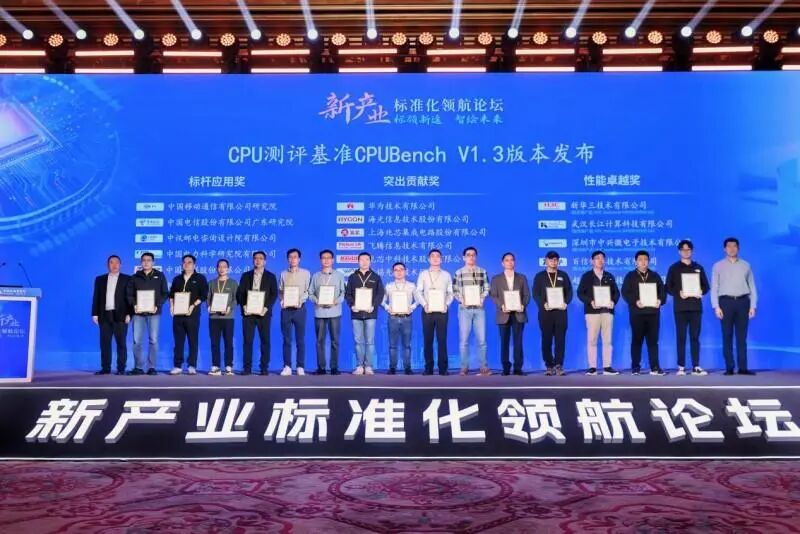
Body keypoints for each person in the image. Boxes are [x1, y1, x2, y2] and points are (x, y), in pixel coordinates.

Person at [710, 237, 758, 375]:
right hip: (725, 302)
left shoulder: (746, 265)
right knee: (727, 335)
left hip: (743, 302)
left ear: (738, 248)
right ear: (724, 249)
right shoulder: (718, 266)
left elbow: (752, 287)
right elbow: (714, 287)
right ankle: (729, 367)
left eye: (734, 246)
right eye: (729, 246)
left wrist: (753, 306)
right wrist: (716, 306)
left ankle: (743, 368)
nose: (732, 249)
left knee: (742, 337)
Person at [665, 240, 710, 376]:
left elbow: (706, 286)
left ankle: (696, 366)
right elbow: (668, 287)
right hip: (680, 308)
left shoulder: (698, 267)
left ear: (692, 251)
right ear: (679, 251)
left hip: (696, 307)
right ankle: (681, 367)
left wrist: (701, 291)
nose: (686, 252)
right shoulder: (673, 268)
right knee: (681, 337)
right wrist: (678, 293)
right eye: (683, 250)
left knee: (695, 337)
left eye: (688, 249)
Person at [622, 250, 667, 376]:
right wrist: (635, 301)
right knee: (637, 341)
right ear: (636, 262)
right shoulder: (630, 276)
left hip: (653, 314)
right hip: (637, 314)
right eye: (640, 260)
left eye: (645, 259)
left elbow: (663, 293)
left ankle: (655, 367)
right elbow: (625, 292)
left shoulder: (655, 276)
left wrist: (660, 300)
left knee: (653, 342)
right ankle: (635, 367)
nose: (643, 262)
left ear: (649, 261)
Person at [577, 250, 620, 376]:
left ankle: (607, 367)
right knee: (592, 340)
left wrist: (613, 301)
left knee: (608, 340)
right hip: (592, 313)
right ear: (592, 261)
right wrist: (590, 301)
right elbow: (580, 293)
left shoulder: (609, 276)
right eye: (597, 258)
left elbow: (616, 293)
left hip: (607, 312)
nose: (600, 260)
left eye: (602, 258)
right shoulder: (586, 276)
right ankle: (592, 367)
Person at [126, 252, 169, 375]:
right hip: (138, 313)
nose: (146, 262)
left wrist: (157, 305)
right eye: (144, 260)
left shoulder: (160, 276)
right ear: (141, 262)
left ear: (153, 262)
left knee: (153, 340)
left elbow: (165, 293)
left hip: (154, 313)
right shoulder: (135, 277)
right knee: (137, 341)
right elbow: (129, 294)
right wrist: (134, 304)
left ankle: (152, 367)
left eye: (149, 260)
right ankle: (138, 367)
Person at [531, 250, 573, 376]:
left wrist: (566, 302)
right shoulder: (540, 276)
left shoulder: (563, 275)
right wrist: (543, 304)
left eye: (555, 260)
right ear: (546, 261)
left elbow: (569, 292)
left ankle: (559, 365)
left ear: (558, 261)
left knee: (560, 340)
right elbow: (535, 293)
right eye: (551, 259)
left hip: (561, 312)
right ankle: (549, 365)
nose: (553, 262)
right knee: (546, 339)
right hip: (546, 312)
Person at [236, 250, 278, 375]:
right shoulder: (245, 275)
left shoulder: (270, 276)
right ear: (253, 261)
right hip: (248, 314)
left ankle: (264, 367)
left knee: (265, 341)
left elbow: (274, 294)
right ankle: (247, 368)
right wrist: (244, 306)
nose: (258, 260)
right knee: (247, 341)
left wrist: (266, 307)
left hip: (263, 314)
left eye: (260, 258)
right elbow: (240, 293)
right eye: (255, 258)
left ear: (265, 261)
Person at [489, 252, 530, 376]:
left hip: (519, 313)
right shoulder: (496, 279)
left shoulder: (522, 277)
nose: (510, 262)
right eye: (507, 260)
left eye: (512, 260)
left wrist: (523, 305)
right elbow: (493, 295)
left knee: (518, 342)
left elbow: (527, 295)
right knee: (504, 342)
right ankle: (505, 368)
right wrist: (501, 305)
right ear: (502, 263)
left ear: (515, 262)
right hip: (503, 314)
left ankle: (518, 368)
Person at [414, 249, 454, 376]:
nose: (435, 258)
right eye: (432, 256)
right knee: (428, 340)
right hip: (427, 310)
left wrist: (446, 304)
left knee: (442, 340)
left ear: (441, 259)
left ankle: (443, 369)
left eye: (438, 256)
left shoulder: (446, 275)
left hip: (442, 311)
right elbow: (418, 291)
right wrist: (424, 304)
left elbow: (450, 293)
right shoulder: (423, 274)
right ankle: (428, 368)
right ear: (428, 259)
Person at [91, 254, 132, 375]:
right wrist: (94, 313)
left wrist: (130, 313)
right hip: (104, 315)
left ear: (120, 265)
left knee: (121, 343)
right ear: (107, 265)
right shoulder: (100, 279)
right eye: (111, 262)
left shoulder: (127, 279)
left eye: (117, 262)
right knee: (104, 343)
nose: (114, 265)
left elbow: (130, 298)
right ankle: (105, 368)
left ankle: (121, 369)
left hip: (121, 315)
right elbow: (96, 297)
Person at [345, 252, 385, 375]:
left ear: (370, 261)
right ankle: (359, 366)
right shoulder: (352, 277)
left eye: (367, 259)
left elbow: (380, 294)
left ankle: (368, 366)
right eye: (362, 260)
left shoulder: (376, 277)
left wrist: (374, 305)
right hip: (356, 314)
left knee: (370, 341)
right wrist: (352, 305)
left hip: (370, 314)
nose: (364, 262)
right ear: (358, 261)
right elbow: (348, 294)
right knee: (358, 341)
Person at [168, 254, 208, 375]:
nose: (186, 264)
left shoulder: (200, 278)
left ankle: (192, 365)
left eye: (189, 262)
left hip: (192, 314)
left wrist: (193, 305)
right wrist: (171, 306)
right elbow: (171, 294)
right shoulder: (177, 279)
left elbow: (204, 295)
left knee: (192, 340)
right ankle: (177, 365)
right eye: (184, 262)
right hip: (178, 315)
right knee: (178, 341)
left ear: (194, 265)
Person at [454, 246, 491, 376]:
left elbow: (487, 287)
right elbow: (455, 289)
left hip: (479, 309)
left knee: (482, 340)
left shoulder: (482, 271)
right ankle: (464, 367)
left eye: (473, 255)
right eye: (468, 255)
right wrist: (461, 299)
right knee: (464, 340)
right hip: (464, 309)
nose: (471, 257)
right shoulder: (459, 272)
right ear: (464, 257)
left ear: (476, 257)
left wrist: (482, 298)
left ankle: (483, 367)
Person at [308, 249, 346, 375]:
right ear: (320, 260)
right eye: (323, 258)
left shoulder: (339, 275)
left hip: (335, 312)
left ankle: (334, 367)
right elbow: (310, 293)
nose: (326, 260)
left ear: (333, 260)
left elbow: (343, 293)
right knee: (320, 341)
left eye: (329, 258)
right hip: (319, 312)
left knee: (335, 341)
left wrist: (336, 301)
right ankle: (321, 367)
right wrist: (316, 301)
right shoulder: (315, 276)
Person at [279, 248, 311, 376]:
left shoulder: (306, 273)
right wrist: (282, 300)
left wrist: (300, 301)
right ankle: (287, 366)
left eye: (295, 257)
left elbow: (308, 291)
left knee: (300, 339)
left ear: (299, 259)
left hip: (300, 309)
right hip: (286, 310)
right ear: (288, 259)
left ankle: (300, 366)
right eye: (290, 257)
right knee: (286, 339)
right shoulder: (283, 274)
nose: (293, 259)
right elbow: (280, 291)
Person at [382, 261, 418, 375]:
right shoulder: (389, 286)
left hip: (407, 317)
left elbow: (418, 300)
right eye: (396, 270)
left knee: (407, 345)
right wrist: (388, 308)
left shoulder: (411, 286)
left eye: (401, 269)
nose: (399, 272)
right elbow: (382, 301)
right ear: (393, 272)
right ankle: (392, 367)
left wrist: (411, 308)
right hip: (393, 317)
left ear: (405, 271)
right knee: (392, 345)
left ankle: (407, 368)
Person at [208, 258, 238, 376]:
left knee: (228, 342)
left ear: (228, 269)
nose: (222, 269)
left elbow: (236, 299)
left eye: (224, 267)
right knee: (214, 343)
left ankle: (228, 366)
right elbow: (208, 298)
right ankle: (215, 366)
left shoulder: (233, 283)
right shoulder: (211, 283)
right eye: (219, 266)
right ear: (216, 269)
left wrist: (229, 307)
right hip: (214, 317)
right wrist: (209, 306)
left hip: (228, 318)